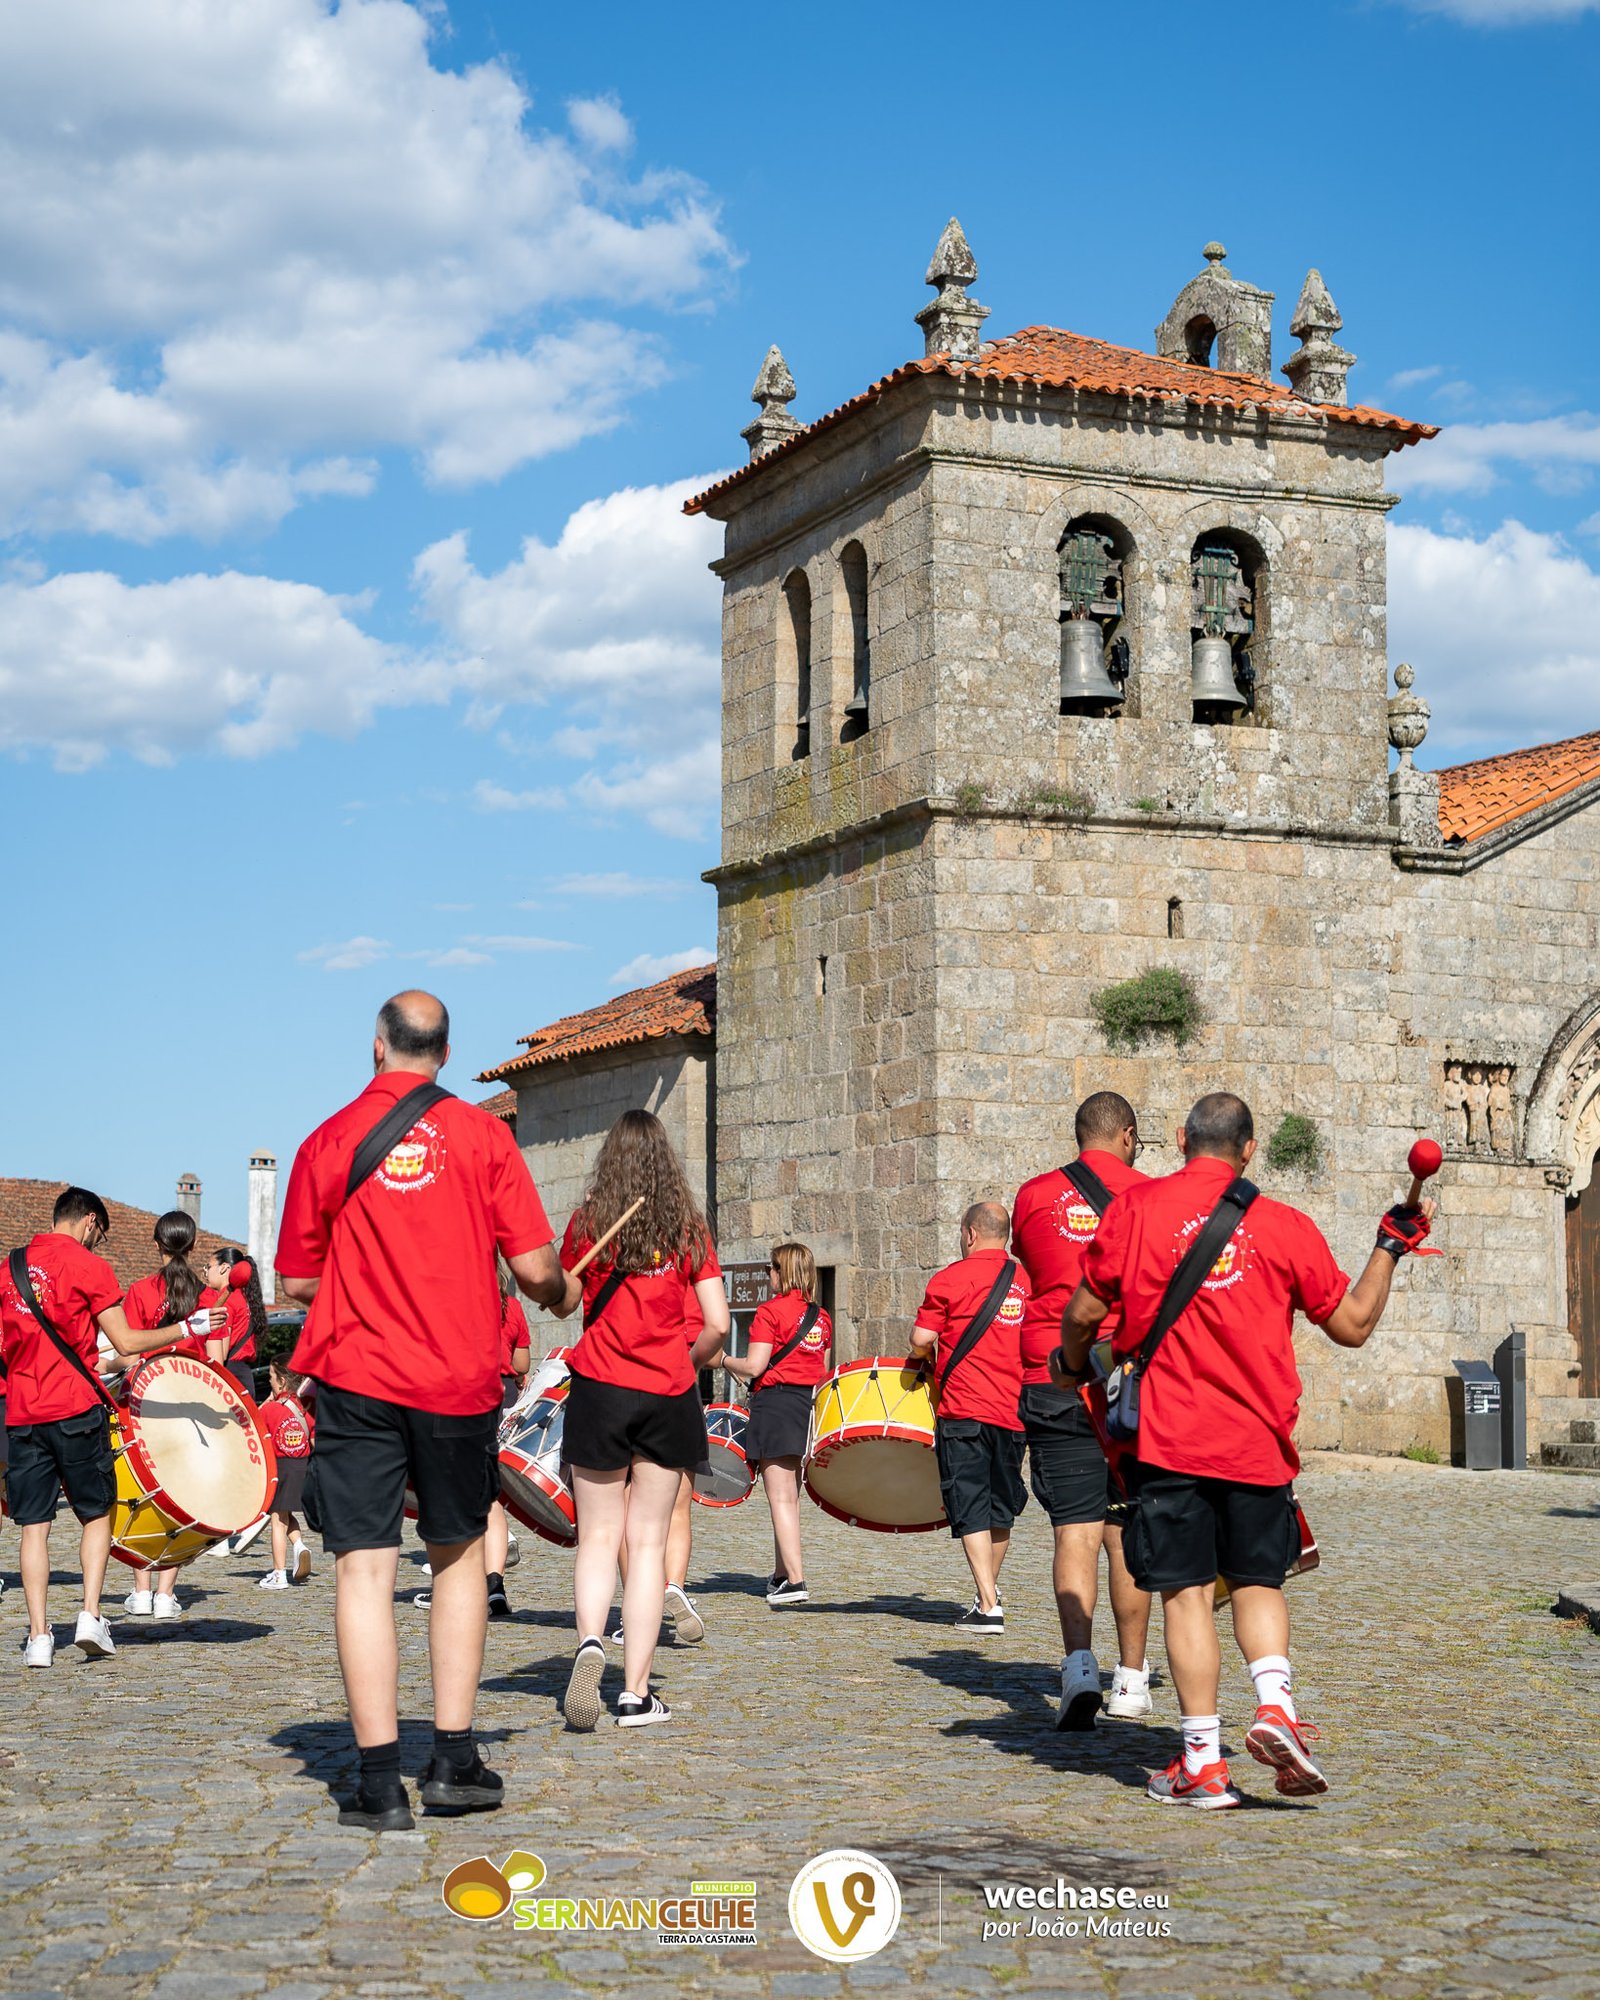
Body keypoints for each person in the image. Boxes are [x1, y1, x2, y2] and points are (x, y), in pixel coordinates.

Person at [1056, 1091, 1436, 1808]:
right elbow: (1352, 1325)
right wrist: (1390, 1245)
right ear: (1250, 1150)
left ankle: (1202, 1763)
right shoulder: (1284, 1225)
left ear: (1178, 1139)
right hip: (1259, 1442)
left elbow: (1082, 1312)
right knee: (1260, 1582)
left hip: (1169, 1442)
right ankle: (1274, 1706)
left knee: (1188, 1594)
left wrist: (1071, 1364)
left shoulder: (1134, 1212)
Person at [276, 991, 570, 1830]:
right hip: (455, 1381)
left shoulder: (326, 1141)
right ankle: (451, 1762)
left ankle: (374, 1784)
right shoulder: (485, 1137)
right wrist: (559, 1290)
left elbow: (297, 1282)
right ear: (444, 1054)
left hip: (359, 1376)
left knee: (364, 1569)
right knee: (456, 1561)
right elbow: (537, 1267)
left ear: (376, 1047)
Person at [557, 1109, 728, 1731]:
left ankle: (590, 1645)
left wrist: (566, 1280)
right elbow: (716, 1324)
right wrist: (685, 1361)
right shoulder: (688, 1229)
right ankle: (634, 1693)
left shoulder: (588, 1224)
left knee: (598, 1536)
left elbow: (565, 1299)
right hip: (667, 1393)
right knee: (649, 1542)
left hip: (599, 1388)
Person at [1, 1187, 220, 1666]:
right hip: (75, 1409)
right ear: (89, 1221)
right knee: (96, 1514)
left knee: (33, 1528)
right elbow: (124, 1338)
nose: (98, 1241)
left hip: (21, 1412)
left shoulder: (9, 1268)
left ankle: (39, 1637)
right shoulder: (89, 1267)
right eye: (99, 1232)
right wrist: (189, 1329)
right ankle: (89, 1615)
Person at [1012, 1092, 1154, 1729]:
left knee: (1074, 1527)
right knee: (1125, 1530)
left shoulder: (1033, 1196)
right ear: (1126, 1135)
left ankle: (1076, 1668)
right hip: (1129, 1379)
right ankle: (1131, 1679)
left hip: (1052, 1373)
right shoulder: (1153, 1199)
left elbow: (1036, 1266)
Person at [910, 1202, 1029, 1632]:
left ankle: (989, 1603)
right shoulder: (1027, 1282)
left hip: (964, 1410)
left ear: (970, 1235)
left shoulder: (948, 1280)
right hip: (1014, 1412)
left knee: (971, 1505)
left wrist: (925, 1355)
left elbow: (921, 1339)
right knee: (1001, 1507)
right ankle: (987, 1596)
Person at [119, 1210, 229, 1618]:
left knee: (144, 1490)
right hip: (193, 1404)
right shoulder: (207, 1298)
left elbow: (128, 1352)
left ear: (156, 1244)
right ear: (193, 1245)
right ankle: (167, 1592)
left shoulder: (140, 1290)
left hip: (147, 1402)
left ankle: (142, 1589)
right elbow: (216, 1362)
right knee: (182, 1495)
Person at [718, 1241, 830, 1607]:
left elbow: (754, 1366)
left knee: (780, 1497)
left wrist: (722, 1360)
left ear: (783, 1271)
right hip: (806, 1407)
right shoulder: (822, 1318)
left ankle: (796, 1582)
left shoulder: (769, 1312)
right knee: (790, 1498)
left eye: (771, 1267)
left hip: (777, 1404)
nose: (768, 1273)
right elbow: (822, 1371)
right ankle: (782, 1574)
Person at [418, 1263, 529, 1616]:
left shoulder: (457, 1299)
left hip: (465, 1393)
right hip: (505, 1393)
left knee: (454, 1493)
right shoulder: (512, 1306)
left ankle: (453, 1587)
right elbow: (523, 1361)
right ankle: (494, 1585)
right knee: (491, 1492)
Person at [257, 1354, 315, 1590]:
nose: (269, 1381)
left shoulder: (271, 1409)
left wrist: (268, 1401)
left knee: (277, 1520)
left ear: (281, 1380)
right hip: (303, 1467)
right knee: (286, 1514)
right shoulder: (306, 1408)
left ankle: (279, 1573)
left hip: (280, 1467)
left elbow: (252, 1427)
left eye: (271, 1376)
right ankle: (299, 1546)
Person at [203, 1247, 267, 1400]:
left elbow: (221, 1352)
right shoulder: (245, 1298)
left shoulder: (227, 1301)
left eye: (208, 1266)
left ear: (224, 1268)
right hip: (245, 1375)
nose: (205, 1272)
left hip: (230, 1376)